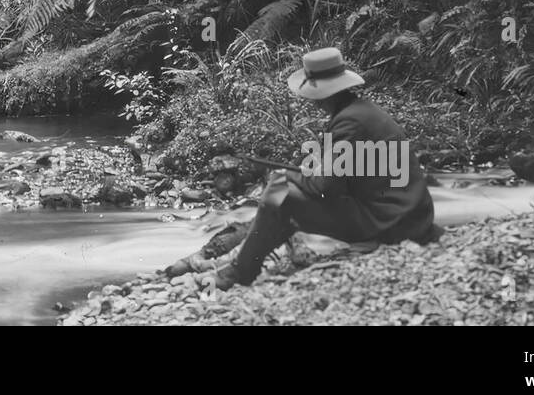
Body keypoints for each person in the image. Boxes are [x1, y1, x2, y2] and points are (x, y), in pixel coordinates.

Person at [168, 47, 441, 291]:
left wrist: (290, 176)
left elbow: (327, 188)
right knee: (285, 193)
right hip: (410, 215)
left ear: (322, 92)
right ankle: (241, 264)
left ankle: (240, 270)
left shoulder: (348, 124)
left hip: (392, 223)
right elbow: (347, 178)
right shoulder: (361, 113)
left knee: (280, 192)